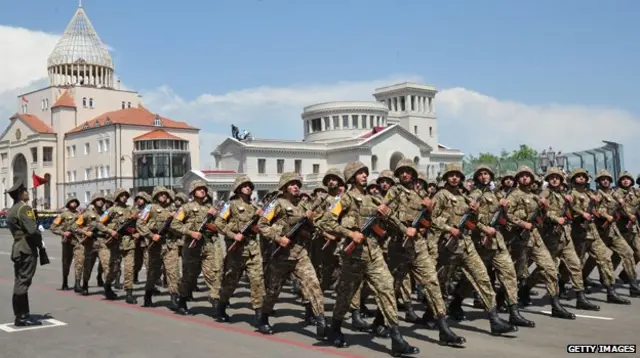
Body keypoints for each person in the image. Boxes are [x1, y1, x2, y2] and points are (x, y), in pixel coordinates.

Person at [6, 179, 43, 326]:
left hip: (18, 247)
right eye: (25, 190)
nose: (27, 192)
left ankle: (22, 313)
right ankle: (21, 317)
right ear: (21, 194)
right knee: (23, 282)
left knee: (20, 280)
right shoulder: (24, 208)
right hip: (26, 248)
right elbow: (32, 230)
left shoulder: (12, 209)